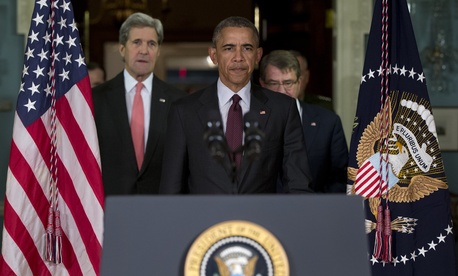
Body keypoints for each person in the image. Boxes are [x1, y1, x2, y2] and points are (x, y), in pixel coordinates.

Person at [159, 16, 313, 194]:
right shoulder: (184, 111)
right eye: (228, 48)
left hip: (261, 221)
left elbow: (299, 185)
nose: (238, 57)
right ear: (214, 55)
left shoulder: (283, 109)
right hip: (204, 221)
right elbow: (171, 190)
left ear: (258, 55)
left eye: (247, 48)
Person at [92, 12, 187, 196]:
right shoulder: (96, 100)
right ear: (122, 49)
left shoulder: (179, 102)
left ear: (158, 51)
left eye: (151, 44)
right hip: (110, 211)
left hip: (161, 211)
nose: (144, 50)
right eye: (137, 42)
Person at [259, 49, 348, 193]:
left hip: (314, 212)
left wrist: (316, 208)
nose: (281, 91)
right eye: (273, 83)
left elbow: (340, 179)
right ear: (263, 84)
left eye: (288, 83)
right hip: (259, 213)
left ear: (299, 82)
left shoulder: (328, 123)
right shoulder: (249, 122)